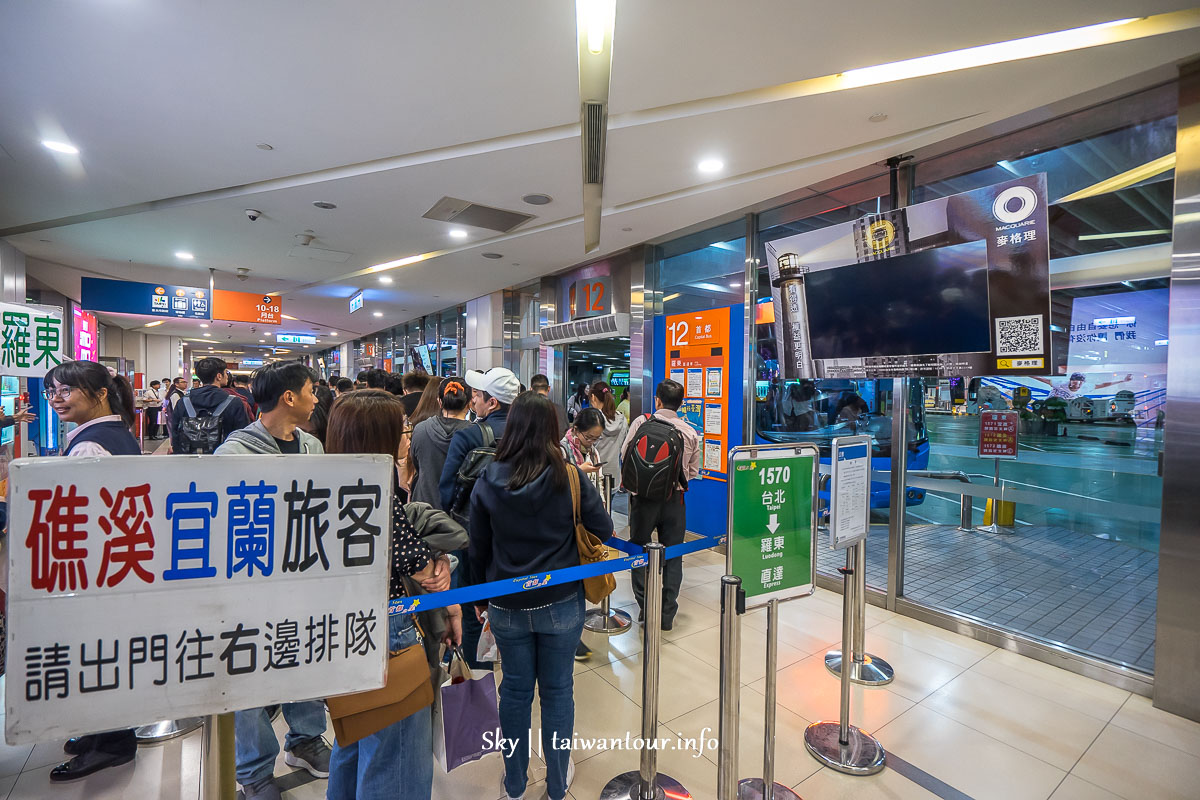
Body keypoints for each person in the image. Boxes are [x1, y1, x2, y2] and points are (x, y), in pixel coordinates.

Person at [469, 392, 612, 800]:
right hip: (562, 601)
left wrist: (480, 600)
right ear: (553, 428)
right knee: (557, 691)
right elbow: (602, 529)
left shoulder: (489, 477)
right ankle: (555, 780)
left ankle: (514, 781)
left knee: (514, 692)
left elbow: (476, 547)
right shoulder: (569, 475)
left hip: (505, 604)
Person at [324, 390, 459, 800]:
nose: (408, 436)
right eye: (402, 429)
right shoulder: (373, 492)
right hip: (389, 632)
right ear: (378, 438)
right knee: (397, 759)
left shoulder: (329, 483)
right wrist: (437, 568)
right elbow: (419, 567)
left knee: (356, 737)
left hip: (346, 625)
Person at [213, 362, 329, 800]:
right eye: (311, 390)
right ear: (289, 398)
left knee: (303, 660)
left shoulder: (313, 446)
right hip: (252, 588)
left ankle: (305, 740)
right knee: (248, 676)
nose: (316, 398)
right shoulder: (234, 455)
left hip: (303, 582)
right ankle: (254, 771)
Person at [42, 360, 140, 781]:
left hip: (99, 567)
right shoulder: (115, 434)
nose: (57, 398)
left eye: (67, 390)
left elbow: (84, 517)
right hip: (119, 561)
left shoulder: (90, 446)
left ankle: (115, 742)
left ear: (99, 394)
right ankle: (105, 734)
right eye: (53, 392)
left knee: (101, 652)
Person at [439, 366, 520, 668]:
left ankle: (480, 670)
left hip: (471, 535)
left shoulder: (468, 436)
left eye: (477, 396)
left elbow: (447, 490)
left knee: (473, 606)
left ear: (493, 402)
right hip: (516, 538)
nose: (473, 401)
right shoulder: (527, 435)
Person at [620, 379, 700, 631]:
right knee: (674, 556)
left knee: (638, 552)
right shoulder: (689, 431)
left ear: (657, 400)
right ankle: (666, 616)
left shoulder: (641, 423)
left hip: (642, 500)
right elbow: (693, 472)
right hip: (674, 501)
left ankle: (645, 607)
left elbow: (625, 455)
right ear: (681, 403)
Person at [559, 407, 605, 662]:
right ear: (575, 430)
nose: (592, 442)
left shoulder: (591, 450)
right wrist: (581, 471)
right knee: (572, 581)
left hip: (587, 521)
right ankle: (572, 637)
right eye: (589, 437)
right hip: (570, 522)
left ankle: (573, 632)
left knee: (584, 578)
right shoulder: (563, 450)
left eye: (596, 439)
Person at [409, 378, 470, 508]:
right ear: (469, 403)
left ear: (439, 401)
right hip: (458, 512)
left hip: (423, 510)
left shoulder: (420, 429)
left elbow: (417, 464)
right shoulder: (475, 434)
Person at [170, 357, 250, 453]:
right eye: (226, 373)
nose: (227, 376)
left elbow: (175, 431)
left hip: (190, 460)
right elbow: (241, 434)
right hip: (225, 458)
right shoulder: (234, 402)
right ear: (219, 376)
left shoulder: (184, 401)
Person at [588, 381, 628, 496]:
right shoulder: (622, 419)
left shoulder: (593, 419)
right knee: (607, 510)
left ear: (593, 397)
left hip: (593, 474)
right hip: (614, 474)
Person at [530, 373, 568, 437]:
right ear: (548, 388)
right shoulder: (559, 410)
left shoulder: (525, 409)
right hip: (556, 446)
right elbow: (565, 433)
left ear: (531, 389)